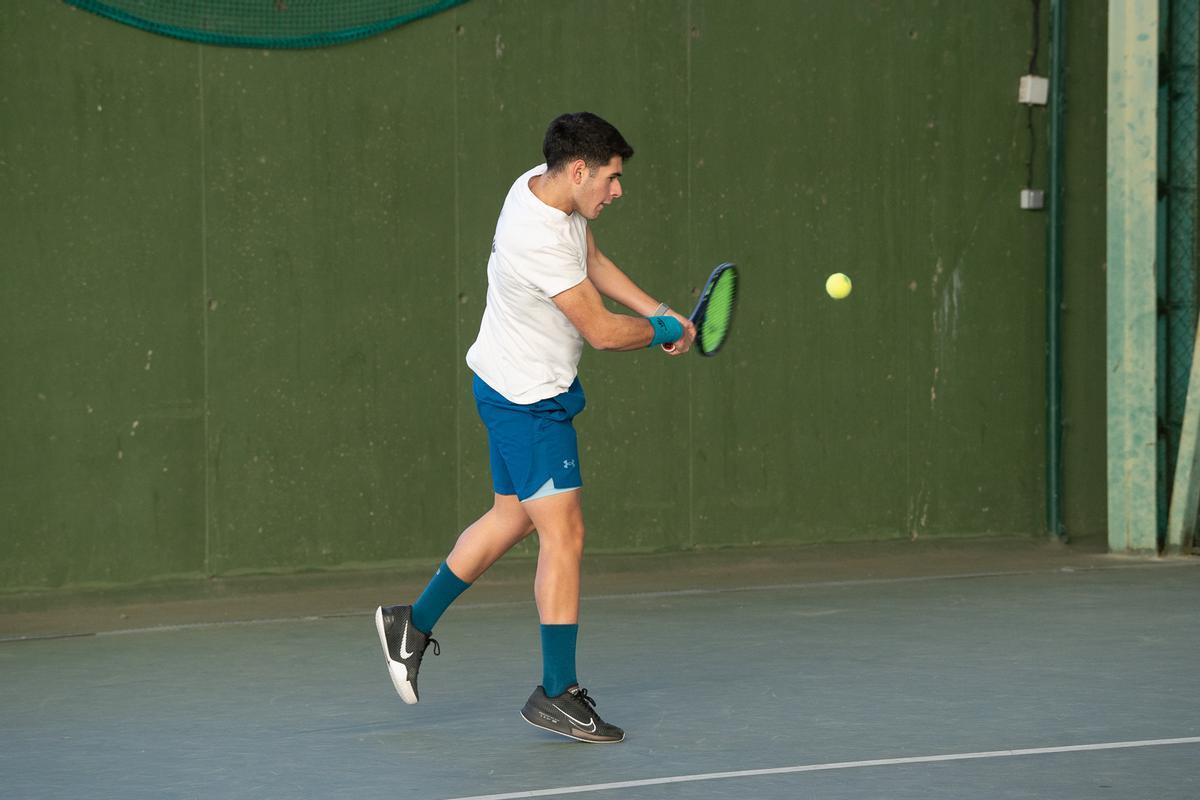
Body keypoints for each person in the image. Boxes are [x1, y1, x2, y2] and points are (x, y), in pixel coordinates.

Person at [375, 112, 694, 744]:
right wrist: (660, 332)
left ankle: (411, 623)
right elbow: (601, 333)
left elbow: (591, 257)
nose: (617, 191)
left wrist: (656, 307)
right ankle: (555, 693)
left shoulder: (539, 185)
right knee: (565, 533)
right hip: (528, 400)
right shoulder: (535, 237)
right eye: (611, 177)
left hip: (502, 381)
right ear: (579, 170)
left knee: (513, 516)